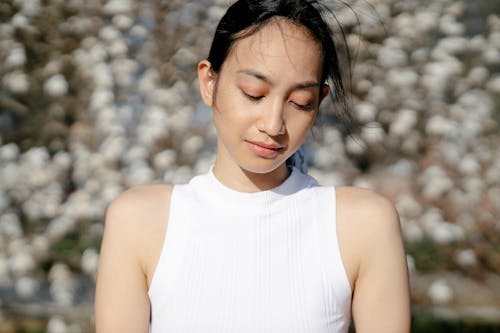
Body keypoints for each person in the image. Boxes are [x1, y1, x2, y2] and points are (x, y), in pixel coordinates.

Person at [94, 1, 411, 332]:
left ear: (319, 102)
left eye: (300, 103)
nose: (274, 124)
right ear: (209, 82)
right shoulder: (140, 220)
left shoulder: (362, 224)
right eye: (254, 93)